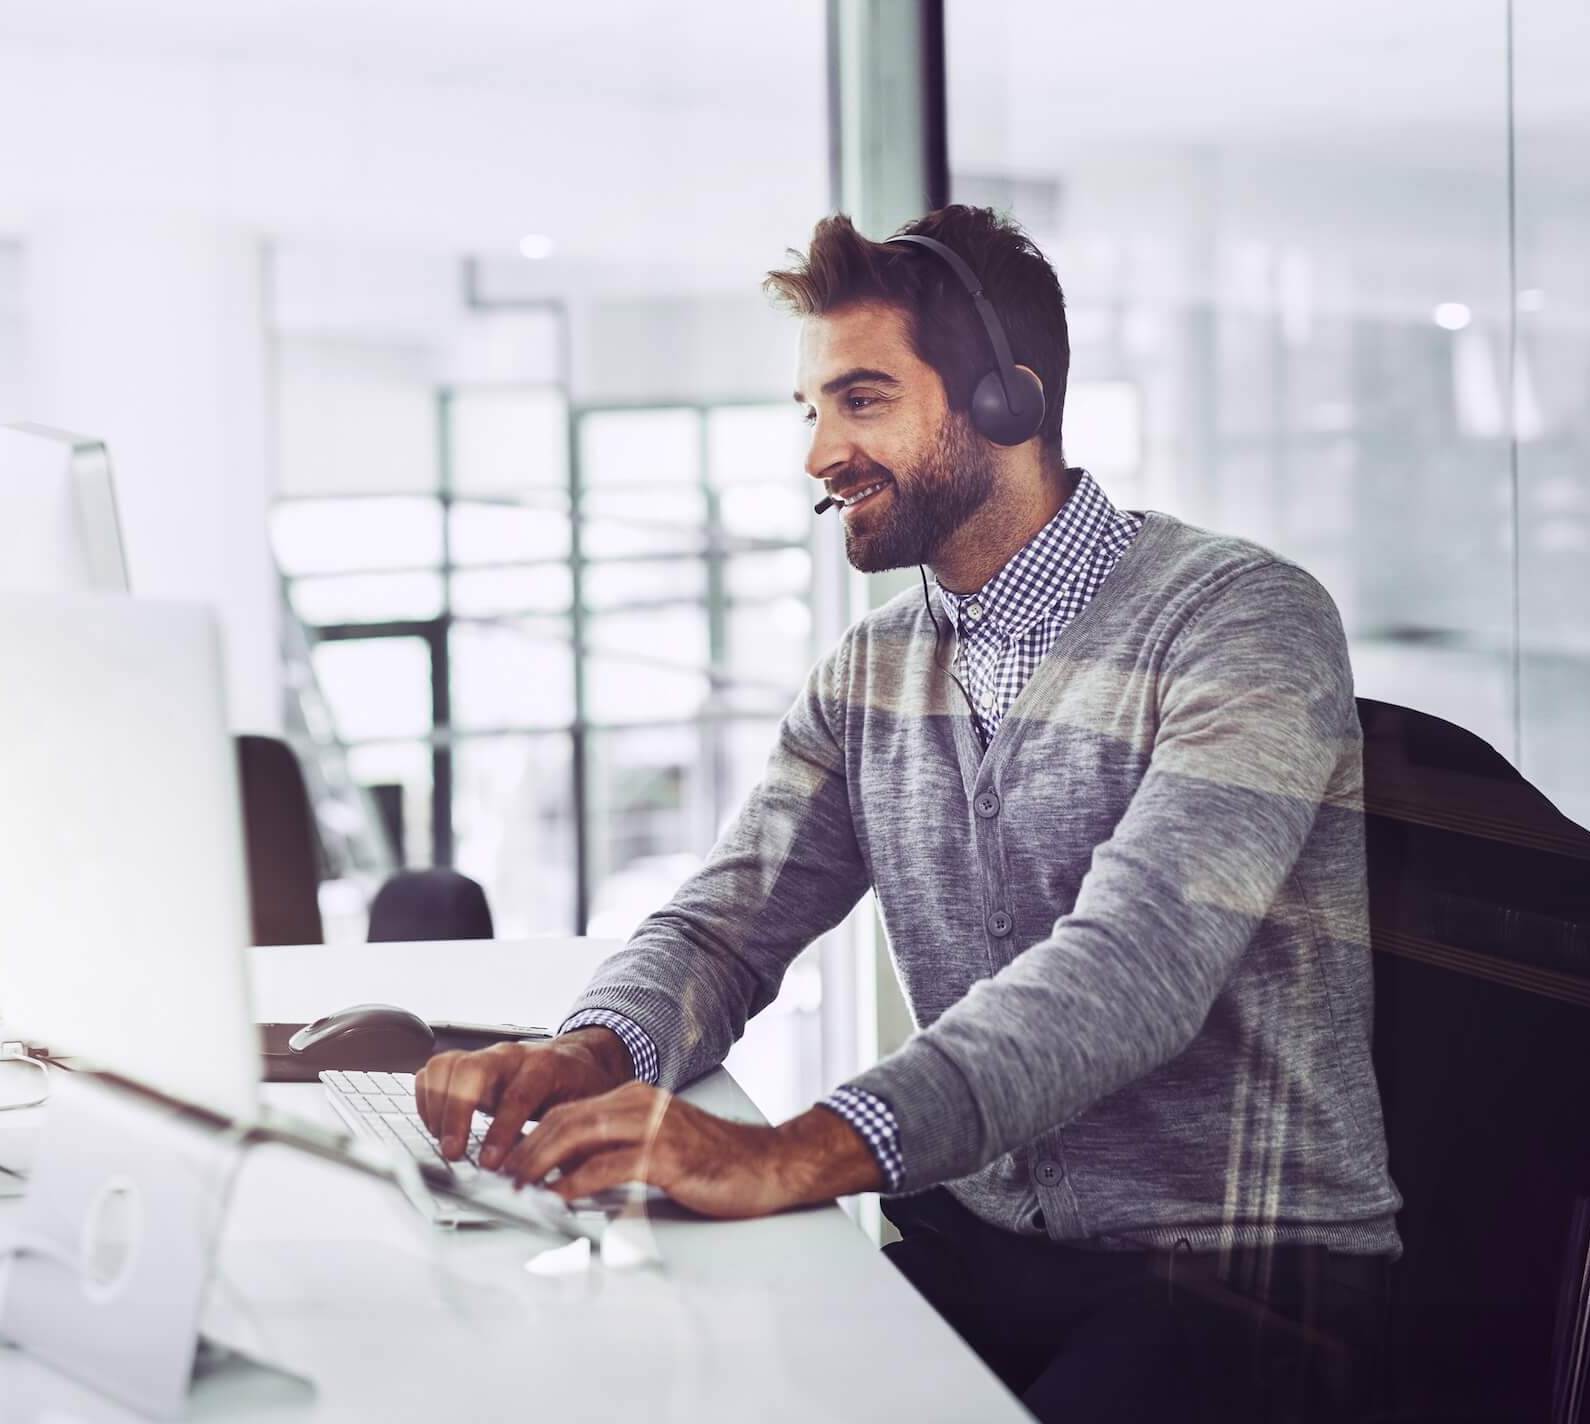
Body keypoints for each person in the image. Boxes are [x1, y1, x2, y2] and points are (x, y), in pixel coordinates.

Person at [416, 204, 1401, 1422]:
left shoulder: (1243, 621)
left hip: (1240, 1277)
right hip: (982, 1251)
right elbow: (725, 928)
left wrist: (789, 1153)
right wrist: (588, 1053)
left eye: (864, 400)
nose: (819, 453)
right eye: (812, 409)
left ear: (1005, 403)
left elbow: (1133, 965)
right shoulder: (873, 673)